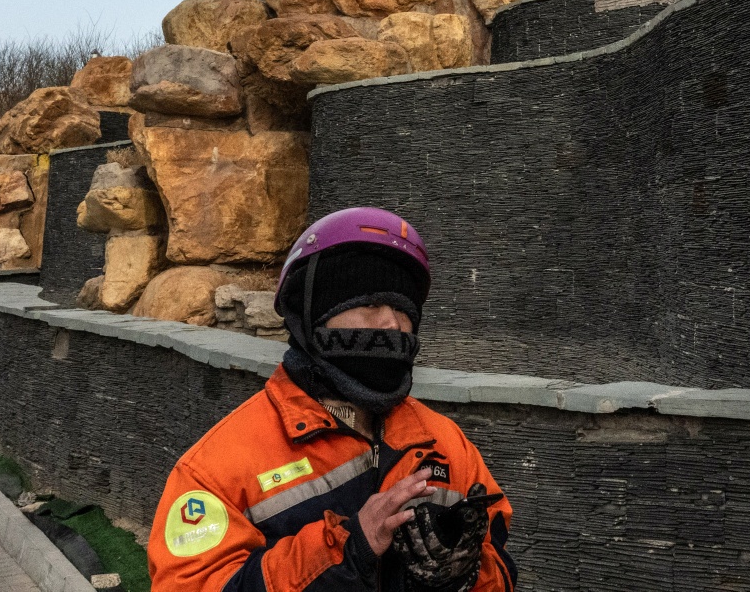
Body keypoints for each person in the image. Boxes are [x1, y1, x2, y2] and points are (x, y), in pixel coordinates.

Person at [148, 207, 515, 591]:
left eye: (403, 308)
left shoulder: (448, 445)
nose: (392, 324)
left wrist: (465, 575)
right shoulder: (215, 470)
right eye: (370, 304)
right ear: (312, 317)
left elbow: (502, 570)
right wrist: (347, 552)